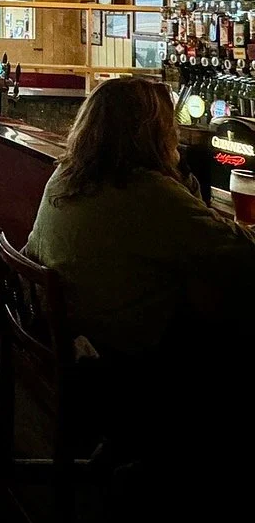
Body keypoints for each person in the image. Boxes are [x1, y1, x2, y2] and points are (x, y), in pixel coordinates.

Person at [27, 76, 255, 359]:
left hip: (57, 333)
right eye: (169, 127)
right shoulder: (150, 193)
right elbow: (242, 251)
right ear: (153, 133)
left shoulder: (65, 175)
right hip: (114, 353)